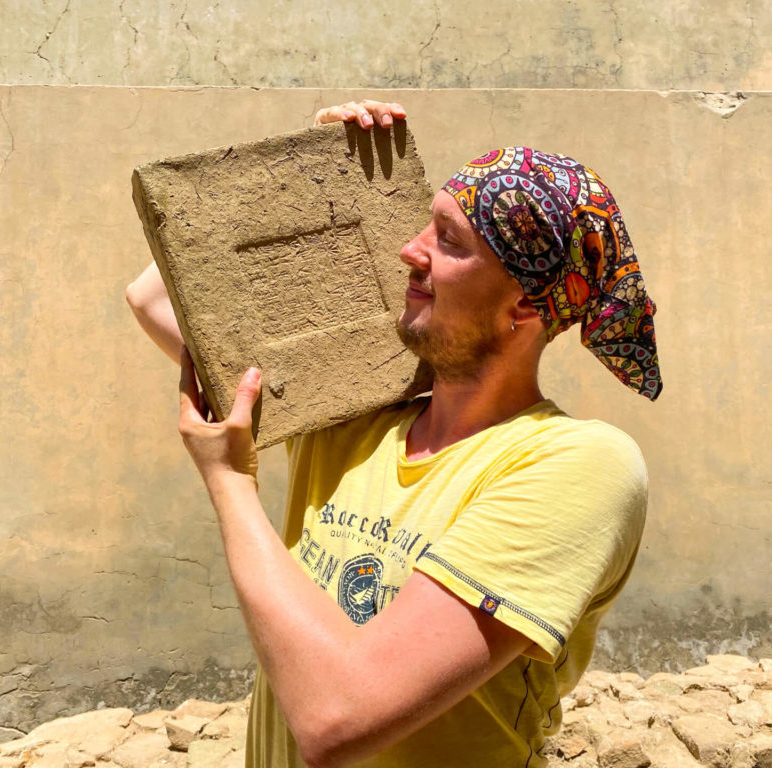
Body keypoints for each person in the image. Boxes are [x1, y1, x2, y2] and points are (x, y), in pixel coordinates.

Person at [126, 99, 662, 768]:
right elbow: (153, 299)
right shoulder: (355, 414)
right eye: (424, 227)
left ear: (523, 304)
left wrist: (230, 484)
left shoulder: (577, 466)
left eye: (449, 241)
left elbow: (336, 719)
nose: (411, 251)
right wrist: (303, 175)